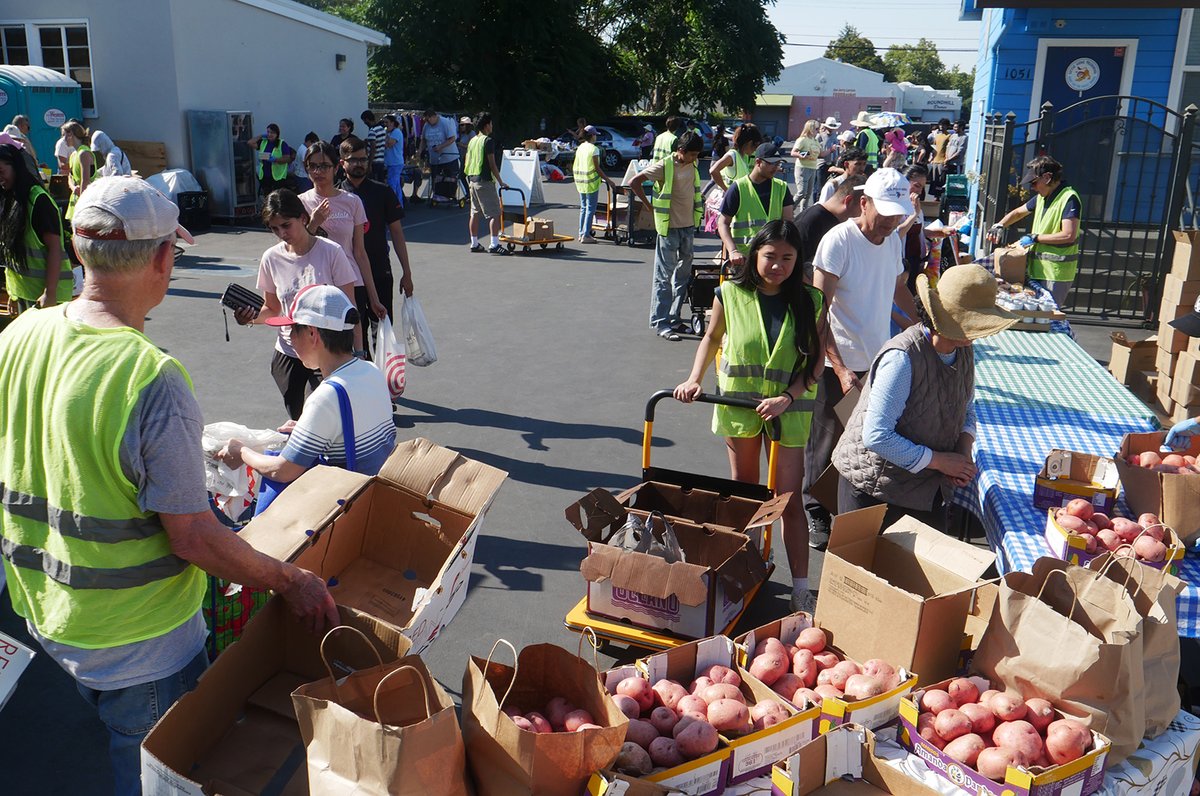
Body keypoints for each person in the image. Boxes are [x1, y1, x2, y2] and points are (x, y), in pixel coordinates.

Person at [0, 176, 337, 796]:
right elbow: (194, 538)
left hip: (48, 610)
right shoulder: (149, 378)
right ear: (161, 259)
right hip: (139, 639)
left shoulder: (19, 336)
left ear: (77, 249)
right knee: (156, 774)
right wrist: (293, 581)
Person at [674, 220, 828, 613]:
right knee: (746, 495)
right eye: (770, 256)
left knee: (787, 500)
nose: (778, 265)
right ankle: (745, 570)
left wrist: (787, 398)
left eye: (787, 258)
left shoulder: (811, 300)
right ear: (755, 253)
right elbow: (712, 337)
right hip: (740, 408)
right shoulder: (729, 293)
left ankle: (800, 588)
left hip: (788, 413)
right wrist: (694, 379)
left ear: (798, 260)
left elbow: (816, 361)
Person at [833, 265, 1018, 528]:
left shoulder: (964, 350)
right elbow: (876, 436)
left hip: (925, 488)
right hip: (874, 488)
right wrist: (941, 462)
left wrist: (962, 454)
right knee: (863, 557)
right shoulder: (902, 358)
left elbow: (967, 408)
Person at [802, 168, 922, 550]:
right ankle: (814, 509)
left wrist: (923, 324)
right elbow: (820, 310)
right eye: (884, 212)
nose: (890, 221)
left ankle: (847, 511)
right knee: (827, 439)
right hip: (838, 361)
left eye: (897, 214)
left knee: (864, 441)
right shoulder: (838, 241)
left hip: (878, 359)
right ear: (863, 202)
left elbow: (898, 288)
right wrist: (838, 367)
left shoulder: (892, 241)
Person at [219, 284, 397, 485]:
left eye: (292, 329)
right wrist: (310, 428)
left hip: (347, 497)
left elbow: (281, 470)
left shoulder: (326, 397)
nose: (289, 338)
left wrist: (241, 451)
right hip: (377, 491)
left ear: (312, 334)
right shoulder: (371, 370)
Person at [236, 189, 360, 420]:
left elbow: (350, 311)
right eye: (274, 228)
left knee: (321, 418)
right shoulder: (271, 258)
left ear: (303, 218)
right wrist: (250, 317)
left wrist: (358, 353)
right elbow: (272, 309)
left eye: (286, 225)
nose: (281, 233)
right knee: (297, 420)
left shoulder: (331, 252)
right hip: (288, 353)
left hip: (325, 352)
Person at [297, 141, 388, 331]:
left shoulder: (352, 202)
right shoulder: (300, 203)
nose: (318, 171)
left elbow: (360, 253)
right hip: (316, 286)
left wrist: (374, 298)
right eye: (312, 166)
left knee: (355, 342)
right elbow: (296, 250)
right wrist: (313, 224)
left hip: (351, 283)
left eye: (324, 166)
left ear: (336, 168)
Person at [338, 136, 415, 354]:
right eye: (353, 160)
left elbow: (397, 233)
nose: (359, 164)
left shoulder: (383, 192)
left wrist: (407, 272)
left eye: (363, 159)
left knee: (382, 331)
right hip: (348, 277)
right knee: (354, 334)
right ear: (342, 163)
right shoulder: (336, 196)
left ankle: (383, 373)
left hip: (380, 271)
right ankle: (363, 371)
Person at [630, 131, 704, 341]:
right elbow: (635, 182)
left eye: (697, 155)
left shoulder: (693, 164)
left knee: (683, 276)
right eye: (692, 154)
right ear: (681, 150)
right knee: (664, 277)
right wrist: (648, 206)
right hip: (669, 228)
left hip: (688, 227)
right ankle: (661, 322)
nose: (695, 158)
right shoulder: (664, 165)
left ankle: (674, 318)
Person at [986, 155, 1080, 304]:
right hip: (1037, 269)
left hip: (1055, 273)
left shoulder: (1069, 198)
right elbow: (1018, 212)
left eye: (1034, 182)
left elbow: (1068, 235)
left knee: (1047, 314)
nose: (1032, 187)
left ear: (1047, 177)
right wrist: (999, 225)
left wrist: (1035, 238)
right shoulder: (1042, 197)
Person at [0, 143, 69, 311]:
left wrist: (50, 293)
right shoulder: (10, 198)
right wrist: (13, 294)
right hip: (24, 293)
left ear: (15, 167)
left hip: (45, 298)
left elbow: (55, 248)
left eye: (1, 171)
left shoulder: (39, 201)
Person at [717, 143, 794, 264]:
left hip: (772, 258)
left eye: (778, 163)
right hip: (744, 258)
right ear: (758, 162)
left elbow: (788, 223)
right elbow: (723, 223)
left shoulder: (782, 187)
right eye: (771, 163)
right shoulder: (738, 188)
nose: (775, 168)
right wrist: (733, 251)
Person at [793, 173, 866, 282]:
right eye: (863, 207)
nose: (864, 215)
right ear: (849, 201)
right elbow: (793, 268)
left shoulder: (840, 224)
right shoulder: (809, 223)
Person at [463, 113, 510, 255]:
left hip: (472, 180)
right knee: (495, 213)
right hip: (484, 181)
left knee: (474, 213)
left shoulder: (472, 141)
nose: (492, 126)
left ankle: (474, 243)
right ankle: (494, 244)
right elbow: (492, 164)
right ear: (487, 125)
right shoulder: (488, 141)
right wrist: (501, 182)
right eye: (491, 123)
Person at [573, 125, 617, 244]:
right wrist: (609, 181)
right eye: (595, 135)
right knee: (590, 209)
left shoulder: (581, 147)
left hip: (580, 181)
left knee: (583, 208)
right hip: (591, 182)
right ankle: (586, 235)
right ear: (592, 136)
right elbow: (597, 168)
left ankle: (581, 233)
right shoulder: (594, 149)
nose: (596, 137)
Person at [421, 109, 461, 203]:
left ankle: (450, 195)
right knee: (436, 178)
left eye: (428, 119)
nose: (427, 122)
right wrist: (420, 151)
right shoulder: (427, 125)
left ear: (433, 117)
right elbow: (423, 139)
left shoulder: (445, 122)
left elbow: (452, 138)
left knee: (449, 178)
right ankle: (437, 196)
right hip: (434, 158)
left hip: (448, 157)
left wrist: (440, 146)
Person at [709, 123, 762, 193]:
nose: (755, 150)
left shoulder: (742, 157)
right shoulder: (732, 155)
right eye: (755, 146)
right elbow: (713, 170)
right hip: (731, 198)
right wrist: (726, 190)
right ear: (750, 143)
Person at [248, 124, 295, 198]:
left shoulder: (282, 144)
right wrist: (260, 136)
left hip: (278, 177)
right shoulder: (263, 142)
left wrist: (275, 159)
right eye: (268, 132)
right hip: (265, 175)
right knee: (267, 197)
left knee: (277, 198)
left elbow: (287, 159)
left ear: (277, 134)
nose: (269, 134)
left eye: (272, 132)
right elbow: (250, 143)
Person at [61, 120, 94, 221]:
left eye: (64, 135)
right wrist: (73, 188)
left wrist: (82, 205)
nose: (63, 139)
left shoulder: (84, 153)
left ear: (70, 134)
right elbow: (70, 178)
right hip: (75, 203)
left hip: (85, 203)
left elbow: (86, 181)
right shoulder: (73, 155)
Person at [790, 120, 822, 211]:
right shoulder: (802, 139)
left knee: (807, 194)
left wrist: (831, 150)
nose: (818, 130)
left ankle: (803, 213)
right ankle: (789, 210)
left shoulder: (815, 140)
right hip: (802, 168)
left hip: (813, 168)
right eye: (816, 128)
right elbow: (793, 152)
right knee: (802, 192)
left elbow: (821, 154)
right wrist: (801, 155)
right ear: (810, 128)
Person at [383, 114, 406, 204]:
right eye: (384, 122)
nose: (385, 124)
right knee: (396, 185)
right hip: (390, 162)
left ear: (392, 123)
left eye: (387, 122)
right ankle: (399, 204)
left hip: (395, 163)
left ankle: (394, 204)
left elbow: (389, 144)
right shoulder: (389, 133)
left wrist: (385, 135)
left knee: (392, 184)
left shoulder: (396, 132)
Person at [362, 110, 387, 181]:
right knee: (380, 182)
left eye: (364, 121)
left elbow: (373, 148)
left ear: (367, 119)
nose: (364, 123)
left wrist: (369, 164)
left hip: (374, 161)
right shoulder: (382, 129)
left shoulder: (372, 131)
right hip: (381, 160)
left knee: (373, 182)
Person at [928, 119, 950, 196]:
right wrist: (931, 158)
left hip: (943, 160)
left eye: (943, 125)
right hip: (935, 160)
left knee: (941, 180)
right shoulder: (937, 136)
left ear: (947, 126)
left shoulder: (949, 136)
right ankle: (935, 195)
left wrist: (946, 160)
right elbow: (934, 148)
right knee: (934, 179)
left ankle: (940, 196)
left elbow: (949, 149)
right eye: (940, 124)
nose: (941, 126)